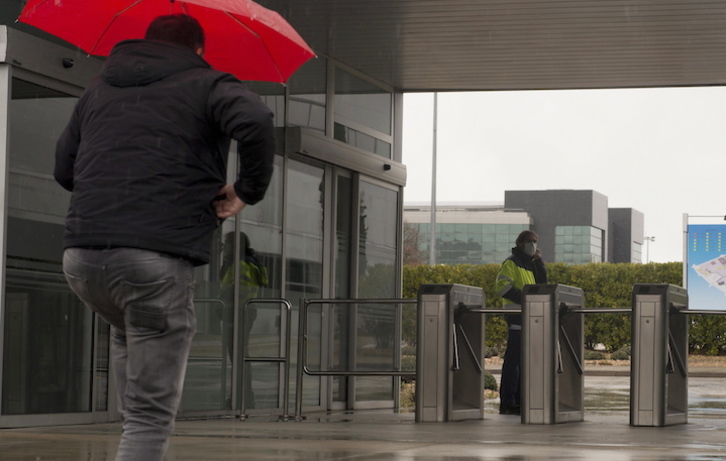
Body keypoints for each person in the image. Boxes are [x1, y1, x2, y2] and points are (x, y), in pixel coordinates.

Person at [54, 14, 275, 461]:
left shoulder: (98, 88)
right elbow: (255, 119)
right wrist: (245, 192)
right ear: (197, 49)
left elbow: (64, 170)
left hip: (82, 260)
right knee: (149, 419)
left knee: (128, 330)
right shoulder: (207, 83)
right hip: (153, 260)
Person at [494, 230, 547, 415]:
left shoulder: (530, 265)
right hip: (517, 317)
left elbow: (543, 285)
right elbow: (502, 288)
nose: (533, 244)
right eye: (529, 241)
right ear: (521, 243)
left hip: (529, 317)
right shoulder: (511, 263)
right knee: (513, 361)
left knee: (522, 361)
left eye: (535, 241)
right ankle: (508, 401)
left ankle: (518, 400)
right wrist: (526, 298)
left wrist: (538, 262)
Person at [219, 231, 268, 408]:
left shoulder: (241, 264)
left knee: (239, 356)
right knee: (240, 356)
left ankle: (243, 397)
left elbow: (238, 290)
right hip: (241, 311)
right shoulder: (241, 262)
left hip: (238, 312)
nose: (225, 247)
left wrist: (225, 304)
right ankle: (243, 395)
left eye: (227, 244)